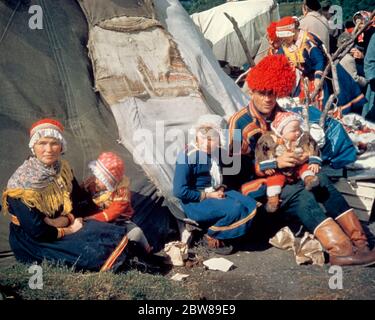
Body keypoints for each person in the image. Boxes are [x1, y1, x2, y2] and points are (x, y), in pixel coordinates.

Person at [228, 54, 375, 266]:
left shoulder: (283, 115)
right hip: (259, 188)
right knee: (298, 194)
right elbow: (235, 172)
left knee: (320, 179)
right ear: (252, 91)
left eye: (272, 93)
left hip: (292, 175)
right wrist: (275, 164)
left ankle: (360, 242)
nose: (268, 99)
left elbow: (308, 142)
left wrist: (306, 155)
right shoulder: (239, 123)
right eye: (262, 93)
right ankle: (340, 250)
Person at [2, 119, 131, 272]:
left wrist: (65, 220)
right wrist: (70, 230)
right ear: (33, 147)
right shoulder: (20, 185)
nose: (48, 149)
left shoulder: (62, 168)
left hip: (61, 223)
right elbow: (37, 230)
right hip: (35, 240)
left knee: (105, 233)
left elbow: (78, 201)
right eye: (42, 143)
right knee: (95, 252)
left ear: (61, 146)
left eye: (54, 143)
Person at [173, 114, 258, 255]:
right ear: (196, 137)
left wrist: (222, 186)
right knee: (236, 209)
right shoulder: (186, 157)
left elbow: (222, 174)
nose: (207, 143)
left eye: (212, 139)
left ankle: (229, 233)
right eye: (203, 138)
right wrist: (209, 195)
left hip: (214, 191)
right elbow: (179, 191)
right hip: (195, 201)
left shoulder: (216, 153)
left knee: (251, 205)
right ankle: (212, 233)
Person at [276, 16, 366, 118]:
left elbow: (319, 60)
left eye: (285, 36)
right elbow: (278, 58)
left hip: (323, 75)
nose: (283, 40)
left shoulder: (307, 41)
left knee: (324, 103)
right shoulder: (288, 45)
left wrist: (318, 78)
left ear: (292, 31)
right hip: (306, 77)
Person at [82, 151, 152, 255]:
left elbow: (113, 212)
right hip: (96, 215)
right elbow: (82, 190)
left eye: (100, 179)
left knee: (136, 233)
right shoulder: (94, 182)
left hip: (119, 220)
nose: (96, 181)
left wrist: (93, 219)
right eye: (96, 177)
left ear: (109, 181)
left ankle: (147, 249)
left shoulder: (122, 192)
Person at [255, 111, 321, 213]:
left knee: (305, 168)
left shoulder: (303, 138)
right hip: (280, 170)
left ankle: (309, 179)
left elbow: (313, 146)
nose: (298, 132)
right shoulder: (269, 140)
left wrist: (313, 160)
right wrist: (268, 166)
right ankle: (273, 200)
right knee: (274, 179)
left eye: (298, 129)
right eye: (293, 130)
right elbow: (261, 154)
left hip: (297, 167)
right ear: (281, 131)